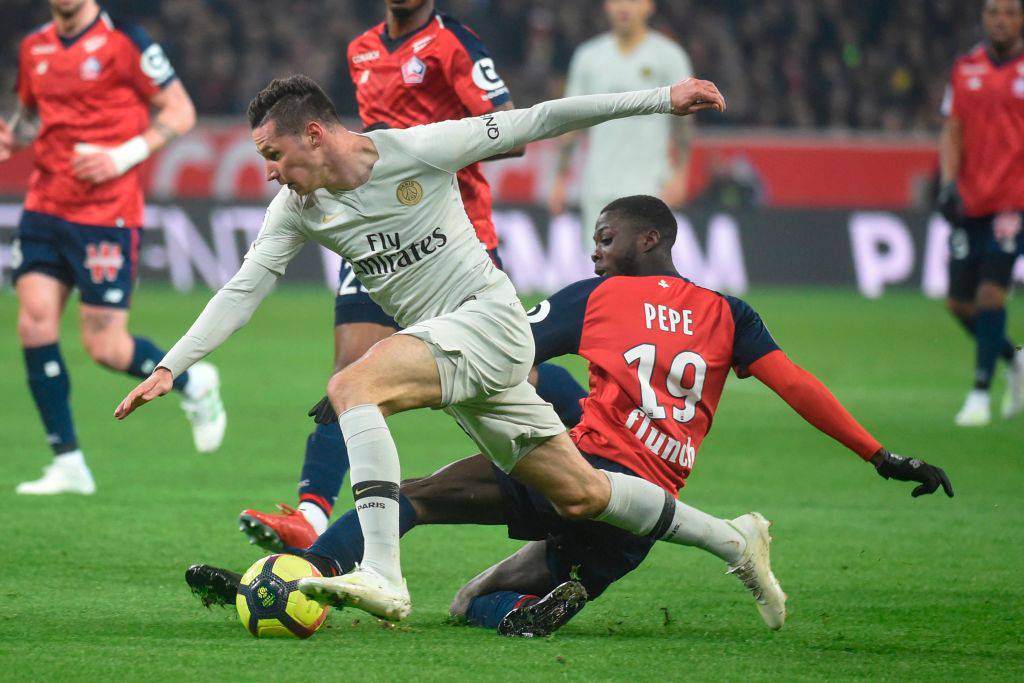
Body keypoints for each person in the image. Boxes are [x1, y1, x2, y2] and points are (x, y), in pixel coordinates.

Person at [187, 196, 953, 637]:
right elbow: (800, 387)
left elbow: (492, 343)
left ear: (649, 238)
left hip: (577, 471)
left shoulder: (600, 298)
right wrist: (879, 454)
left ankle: (294, 576)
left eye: (607, 238)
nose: (595, 252)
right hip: (639, 526)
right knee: (541, 423)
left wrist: (379, 377)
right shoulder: (731, 314)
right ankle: (551, 596)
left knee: (427, 504)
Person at [116, 73, 731, 623]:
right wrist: (173, 364)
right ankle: (734, 540)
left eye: (274, 155)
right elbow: (241, 290)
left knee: (354, 385)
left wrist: (660, 99)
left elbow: (537, 119)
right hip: (455, 360)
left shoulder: (414, 151)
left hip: (489, 322)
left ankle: (381, 574)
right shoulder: (297, 210)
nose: (270, 171)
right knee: (583, 493)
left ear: (313, 135)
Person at [238, 0, 587, 549]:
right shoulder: (361, 49)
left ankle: (586, 420)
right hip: (374, 233)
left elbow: (512, 131)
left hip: (447, 234)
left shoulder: (456, 46)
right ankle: (310, 515)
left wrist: (416, 152)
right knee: (349, 372)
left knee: (510, 379)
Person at [0, 0, 225, 496]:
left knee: (105, 347)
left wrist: (122, 156)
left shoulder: (128, 43)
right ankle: (68, 462)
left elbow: (180, 110)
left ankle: (193, 382)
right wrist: (13, 138)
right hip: (45, 206)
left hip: (107, 215)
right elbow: (33, 114)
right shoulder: (33, 47)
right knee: (33, 320)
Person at [938, 0, 1024, 427]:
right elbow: (952, 130)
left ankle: (978, 394)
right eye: (993, 12)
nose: (1000, 20)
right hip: (971, 201)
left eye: (1010, 12)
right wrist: (948, 183)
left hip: (1014, 202)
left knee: (992, 295)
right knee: (958, 302)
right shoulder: (965, 68)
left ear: (1022, 19)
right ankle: (1014, 358)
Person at [548, 0, 695, 236]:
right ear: (606, 6)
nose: (624, 7)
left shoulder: (669, 57)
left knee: (647, 269)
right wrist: (559, 178)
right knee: (603, 268)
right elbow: (571, 121)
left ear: (649, 6)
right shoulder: (589, 57)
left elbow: (684, 121)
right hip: (599, 187)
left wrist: (681, 174)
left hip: (652, 187)